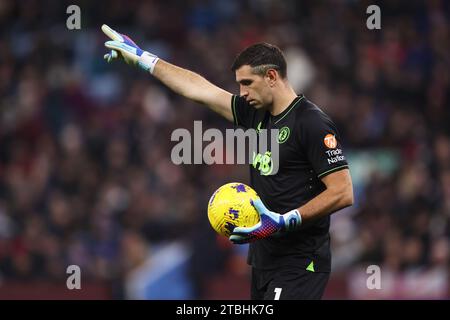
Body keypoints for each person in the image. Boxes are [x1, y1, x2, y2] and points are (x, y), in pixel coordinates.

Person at [101, 24, 354, 300]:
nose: (242, 93)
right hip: (265, 258)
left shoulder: (311, 122)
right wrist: (144, 58)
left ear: (271, 76)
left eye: (247, 83)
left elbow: (343, 191)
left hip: (300, 261)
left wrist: (285, 220)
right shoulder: (255, 115)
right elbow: (200, 89)